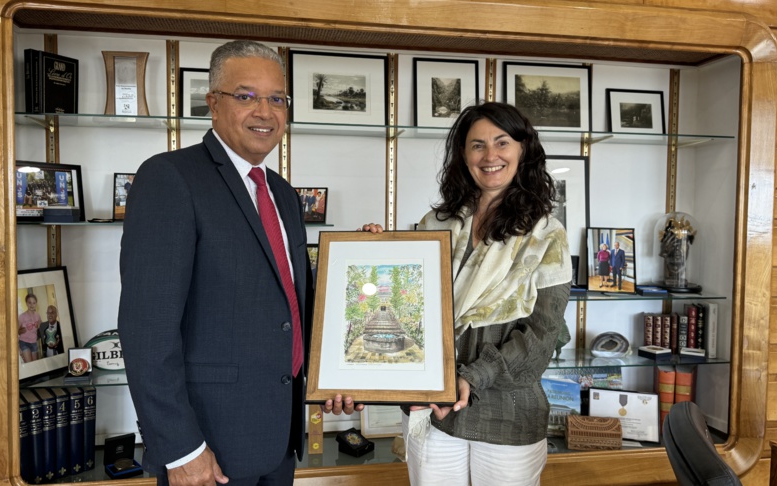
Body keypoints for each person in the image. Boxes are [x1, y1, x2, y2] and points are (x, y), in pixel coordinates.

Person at [118, 40, 359, 486]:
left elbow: (290, 304)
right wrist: (180, 448)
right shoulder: (170, 178)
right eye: (246, 96)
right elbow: (146, 330)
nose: (265, 112)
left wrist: (338, 375)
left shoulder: (283, 194)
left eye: (277, 99)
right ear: (213, 104)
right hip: (208, 448)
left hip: (278, 441)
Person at [364, 102, 571, 485]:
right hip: (432, 410)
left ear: (522, 149)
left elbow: (541, 337)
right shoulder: (435, 225)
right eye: (477, 145)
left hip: (506, 414)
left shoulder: (546, 235)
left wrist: (472, 378)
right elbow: (408, 309)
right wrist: (375, 256)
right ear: (463, 155)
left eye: (501, 142)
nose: (490, 155)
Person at [17, 293, 41, 363]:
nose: (31, 305)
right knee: (29, 365)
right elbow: (15, 332)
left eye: (34, 303)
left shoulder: (38, 315)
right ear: (26, 303)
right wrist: (18, 348)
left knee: (35, 364)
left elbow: (40, 324)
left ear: (36, 304)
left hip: (34, 343)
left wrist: (38, 326)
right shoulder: (22, 316)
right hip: (24, 342)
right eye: (29, 302)